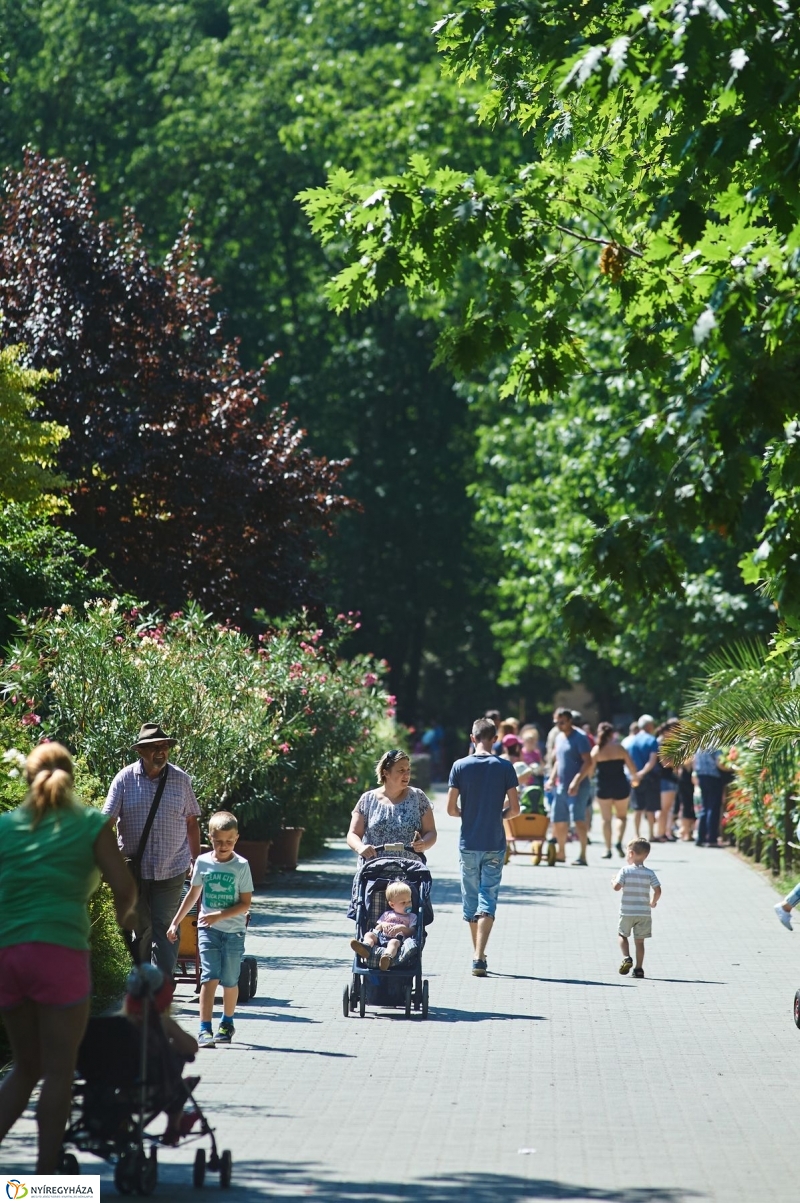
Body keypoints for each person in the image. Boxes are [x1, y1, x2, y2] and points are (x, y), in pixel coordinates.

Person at [0, 743, 137, 1173]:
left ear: (29, 777)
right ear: (71, 778)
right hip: (60, 953)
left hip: (9, 956)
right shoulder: (91, 825)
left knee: (25, 1066)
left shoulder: (5, 827)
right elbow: (124, 887)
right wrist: (124, 917)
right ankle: (44, 1180)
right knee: (59, 1070)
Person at [103, 722, 202, 976]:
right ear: (141, 751)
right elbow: (107, 823)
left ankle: (162, 986)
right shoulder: (124, 779)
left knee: (166, 926)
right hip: (134, 872)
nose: (161, 751)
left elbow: (192, 821)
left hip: (172, 868)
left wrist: (195, 860)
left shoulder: (180, 780)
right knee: (143, 929)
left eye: (164, 746)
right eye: (153, 747)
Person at [167, 811, 253, 1048]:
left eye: (229, 841)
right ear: (210, 837)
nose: (223, 846)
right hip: (207, 931)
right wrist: (175, 921)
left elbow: (245, 903)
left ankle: (227, 1022)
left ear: (236, 838)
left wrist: (220, 915)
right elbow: (193, 894)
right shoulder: (203, 862)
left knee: (229, 980)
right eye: (218, 841)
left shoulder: (241, 866)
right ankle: (205, 1028)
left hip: (233, 932)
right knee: (208, 978)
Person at [447, 717, 519, 976]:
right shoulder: (505, 767)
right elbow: (515, 809)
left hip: (468, 842)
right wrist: (496, 815)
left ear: (472, 737)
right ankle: (479, 954)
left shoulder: (459, 766)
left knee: (470, 899)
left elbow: (450, 810)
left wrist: (469, 813)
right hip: (494, 843)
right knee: (488, 897)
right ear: (495, 739)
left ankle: (477, 954)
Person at [121, 963, 199, 1144]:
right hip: (155, 1090)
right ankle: (174, 1126)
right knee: (175, 1068)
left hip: (116, 1090)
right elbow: (192, 1047)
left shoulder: (118, 1024)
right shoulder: (160, 1023)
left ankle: (120, 1125)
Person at [347, 749, 437, 863]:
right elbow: (353, 834)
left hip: (410, 871)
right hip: (373, 871)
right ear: (386, 773)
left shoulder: (418, 797)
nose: (407, 774)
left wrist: (424, 843)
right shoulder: (367, 799)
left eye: (408, 770)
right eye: (401, 770)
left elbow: (431, 832)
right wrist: (360, 847)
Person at [544, 708, 593, 865]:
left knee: (578, 819)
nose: (559, 725)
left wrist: (576, 781)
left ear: (570, 721)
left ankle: (583, 855)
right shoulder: (559, 737)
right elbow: (558, 761)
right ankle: (561, 853)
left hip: (579, 786)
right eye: (556, 722)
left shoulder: (580, 738)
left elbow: (588, 761)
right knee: (558, 820)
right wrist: (552, 779)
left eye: (562, 722)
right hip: (561, 786)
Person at [613, 838, 661, 979]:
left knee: (622, 935)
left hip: (627, 912)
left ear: (631, 853)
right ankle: (639, 969)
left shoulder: (625, 871)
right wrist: (653, 902)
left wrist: (613, 881)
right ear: (646, 855)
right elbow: (658, 890)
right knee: (640, 942)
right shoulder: (650, 873)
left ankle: (627, 957)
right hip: (644, 913)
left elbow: (617, 887)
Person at [592, 722, 640, 859]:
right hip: (620, 786)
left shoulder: (596, 750)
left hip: (603, 786)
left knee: (605, 819)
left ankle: (607, 849)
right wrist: (635, 779)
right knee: (621, 817)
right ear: (612, 734)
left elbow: (590, 771)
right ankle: (618, 841)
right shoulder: (620, 748)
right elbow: (632, 767)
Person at [350, 880, 417, 969]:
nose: (408, 904)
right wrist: (383, 925)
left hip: (397, 939)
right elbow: (377, 928)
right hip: (381, 937)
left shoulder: (411, 916)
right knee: (369, 934)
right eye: (403, 903)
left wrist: (403, 928)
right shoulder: (387, 914)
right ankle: (366, 947)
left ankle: (386, 958)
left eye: (409, 901)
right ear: (392, 904)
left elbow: (412, 931)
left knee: (393, 943)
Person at [628, 715, 661, 840]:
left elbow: (629, 760)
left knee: (637, 807)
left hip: (635, 777)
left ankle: (636, 833)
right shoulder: (652, 740)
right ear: (648, 726)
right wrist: (643, 773)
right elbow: (652, 761)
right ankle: (651, 834)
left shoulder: (632, 741)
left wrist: (635, 774)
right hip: (650, 777)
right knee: (650, 808)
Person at [693, 747, 724, 847]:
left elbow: (695, 761)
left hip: (702, 777)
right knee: (713, 808)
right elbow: (719, 763)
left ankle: (700, 838)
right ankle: (711, 838)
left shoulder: (700, 743)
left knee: (704, 807)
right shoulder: (716, 745)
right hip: (713, 777)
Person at [655, 720, 680, 841]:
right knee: (664, 808)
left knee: (667, 808)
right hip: (665, 778)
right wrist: (678, 761)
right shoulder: (663, 743)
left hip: (668, 778)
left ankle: (665, 832)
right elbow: (665, 762)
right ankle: (661, 833)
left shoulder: (665, 742)